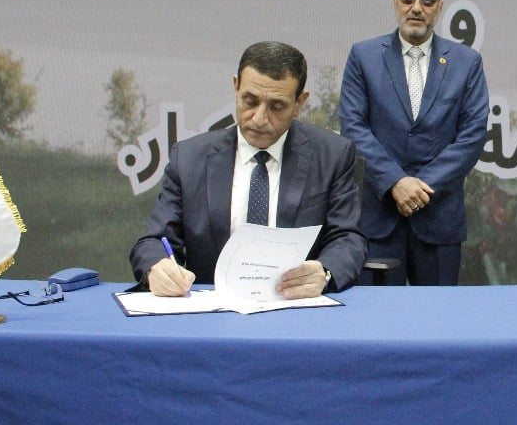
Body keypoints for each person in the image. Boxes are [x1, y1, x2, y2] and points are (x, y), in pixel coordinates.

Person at [130, 41, 367, 298]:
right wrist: (157, 268)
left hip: (297, 305)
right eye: (250, 101)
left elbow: (348, 239)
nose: (259, 118)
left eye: (277, 106)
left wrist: (325, 271)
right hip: (212, 308)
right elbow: (154, 241)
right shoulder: (190, 159)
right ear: (236, 87)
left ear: (300, 102)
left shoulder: (331, 155)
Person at [339, 0, 490, 285]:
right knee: (377, 314)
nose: (416, 8)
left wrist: (421, 189)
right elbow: (353, 126)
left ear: (440, 7)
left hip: (438, 217)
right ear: (395, 2)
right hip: (379, 218)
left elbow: (473, 135)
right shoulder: (364, 56)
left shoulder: (466, 62)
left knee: (438, 314)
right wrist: (395, 182)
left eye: (427, 1)